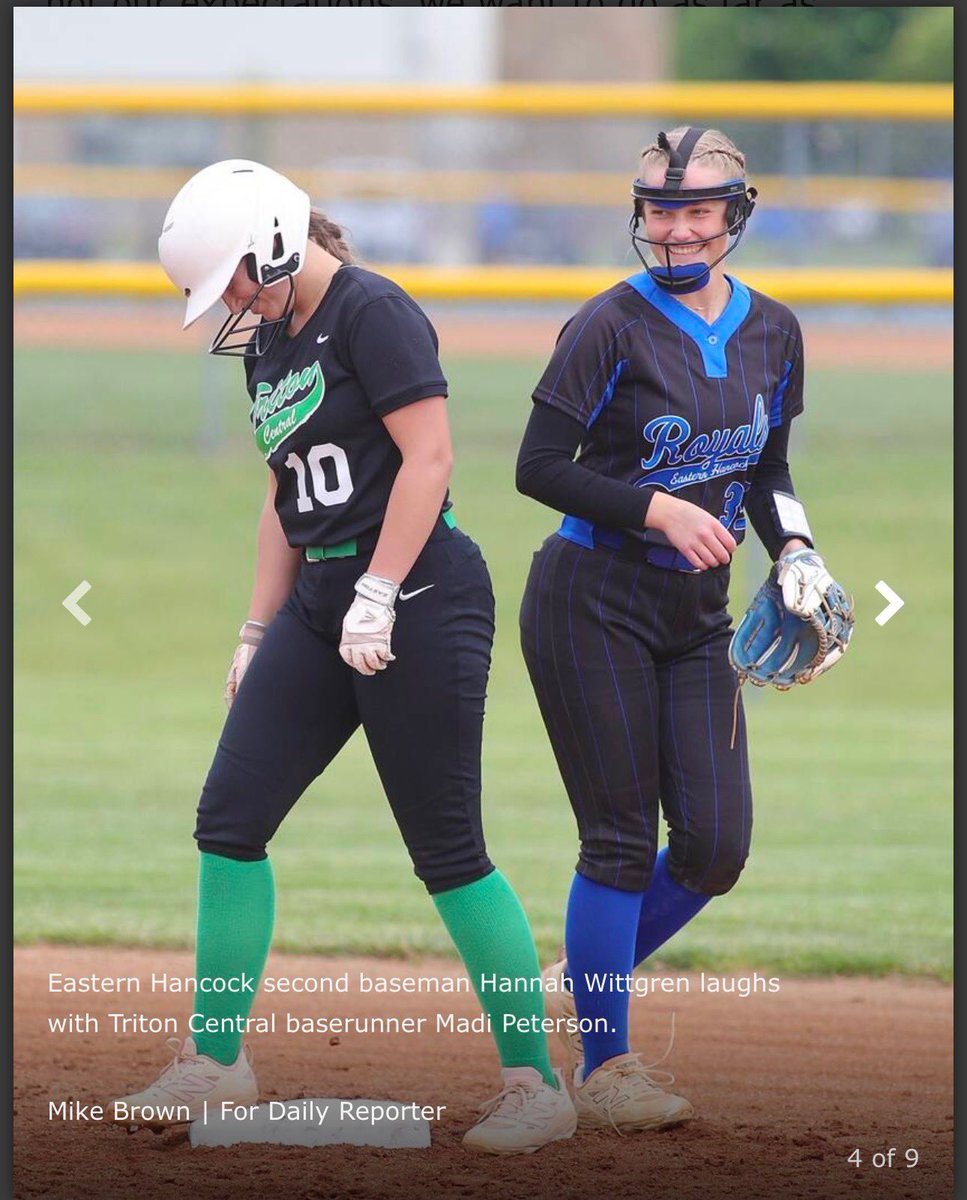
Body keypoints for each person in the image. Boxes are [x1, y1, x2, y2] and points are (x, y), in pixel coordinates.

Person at [109, 159, 576, 1156]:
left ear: (277, 238)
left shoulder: (374, 310)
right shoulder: (270, 341)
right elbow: (287, 495)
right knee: (228, 819)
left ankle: (535, 1083)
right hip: (322, 600)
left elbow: (431, 458)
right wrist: (254, 629)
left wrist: (377, 590)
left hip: (421, 593)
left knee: (446, 850)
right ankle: (216, 1062)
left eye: (233, 276)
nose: (230, 305)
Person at [515, 128, 844, 1132]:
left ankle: (574, 978)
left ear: (735, 216)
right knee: (616, 841)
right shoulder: (607, 325)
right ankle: (606, 1067)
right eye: (660, 209)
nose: (675, 227)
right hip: (590, 599)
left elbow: (767, 471)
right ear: (640, 214)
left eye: (698, 209)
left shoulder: (773, 332)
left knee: (712, 847)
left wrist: (795, 550)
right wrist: (655, 507)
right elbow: (537, 466)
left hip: (697, 618)